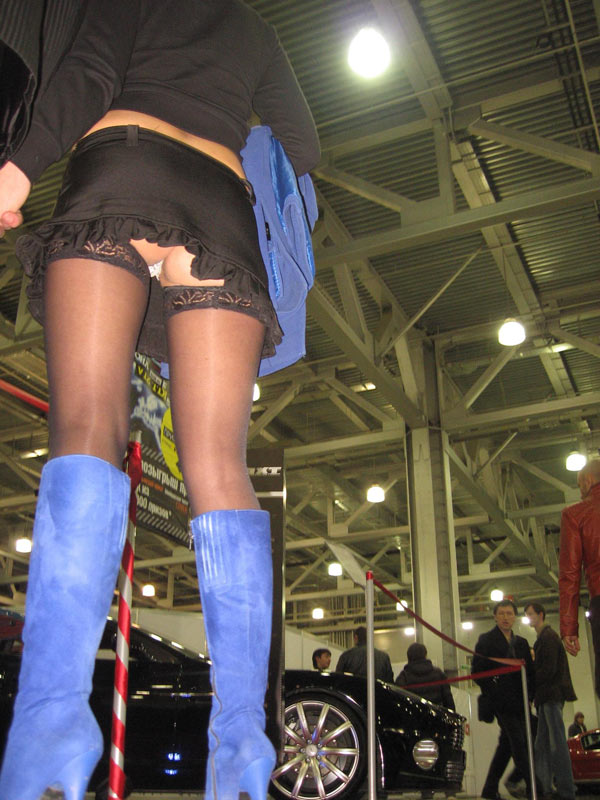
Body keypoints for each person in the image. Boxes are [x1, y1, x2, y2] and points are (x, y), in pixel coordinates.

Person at [0, 2, 319, 799]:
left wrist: (19, 166)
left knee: (88, 425)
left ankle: (49, 742)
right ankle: (242, 754)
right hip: (223, 208)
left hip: (123, 166)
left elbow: (91, 73)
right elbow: (305, 145)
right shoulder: (258, 30)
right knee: (220, 464)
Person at [472, 599, 536, 800]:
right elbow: (476, 672)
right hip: (501, 703)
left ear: (515, 617)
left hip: (520, 702)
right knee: (519, 742)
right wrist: (494, 690)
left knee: (507, 745)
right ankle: (535, 787)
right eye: (501, 613)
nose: (505, 617)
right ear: (495, 617)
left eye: (509, 613)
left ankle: (489, 789)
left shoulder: (521, 643)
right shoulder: (486, 640)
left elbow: (530, 673)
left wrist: (530, 697)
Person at [524, 602, 577, 800]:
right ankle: (546, 787)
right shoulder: (545, 638)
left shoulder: (548, 638)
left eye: (531, 614)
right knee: (543, 744)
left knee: (556, 744)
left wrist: (531, 681)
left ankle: (565, 789)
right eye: (527, 614)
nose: (529, 617)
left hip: (551, 696)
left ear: (541, 614)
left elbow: (548, 670)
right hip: (546, 697)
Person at [559, 458, 600, 698]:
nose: (580, 491)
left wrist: (569, 626)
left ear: (587, 480)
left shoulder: (575, 514)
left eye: (579, 485)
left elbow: (569, 574)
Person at [395, 642, 455, 710]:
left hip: (415, 715)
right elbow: (449, 701)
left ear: (408, 657)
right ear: (425, 655)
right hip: (436, 714)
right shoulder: (439, 674)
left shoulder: (403, 677)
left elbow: (399, 703)